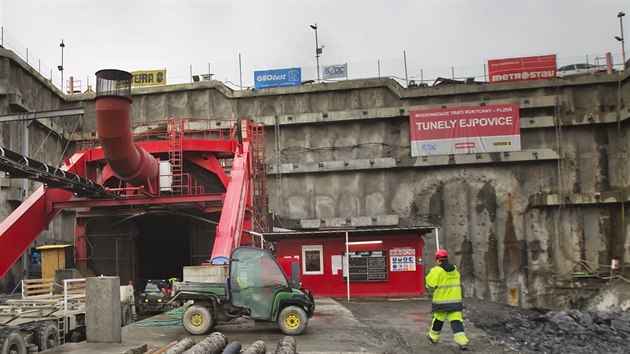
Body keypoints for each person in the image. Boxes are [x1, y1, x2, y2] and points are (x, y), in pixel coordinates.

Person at [425, 249, 469, 350]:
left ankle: (433, 338)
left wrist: (428, 287)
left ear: (438, 260)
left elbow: (430, 285)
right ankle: (462, 342)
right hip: (455, 301)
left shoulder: (437, 270)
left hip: (441, 302)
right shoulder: (454, 269)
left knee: (438, 320)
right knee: (456, 321)